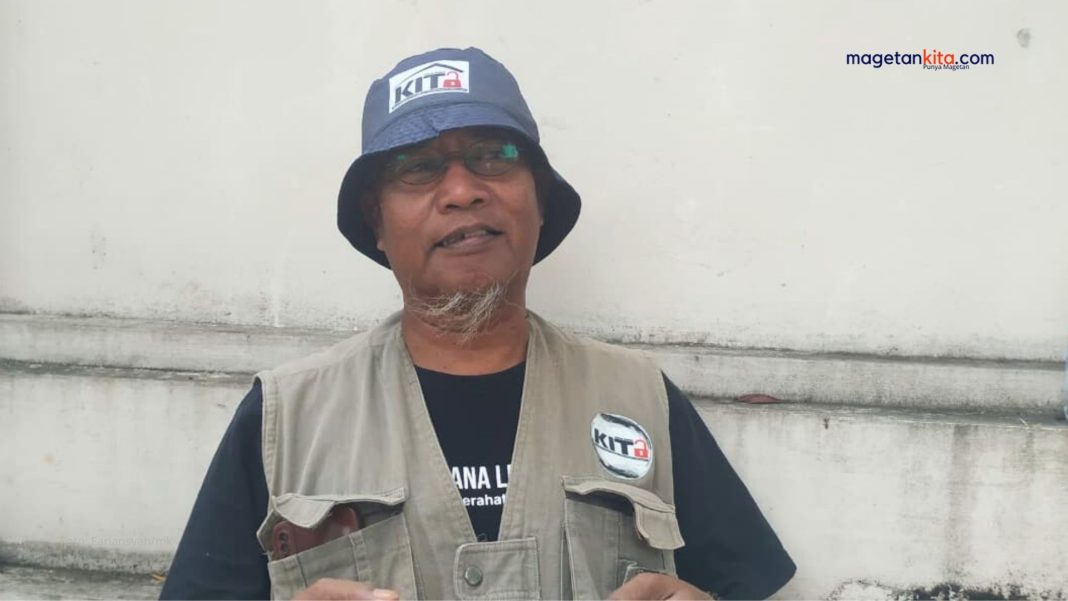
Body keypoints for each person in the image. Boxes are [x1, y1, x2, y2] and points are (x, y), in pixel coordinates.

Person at [161, 47, 795, 600]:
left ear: (539, 201)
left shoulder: (640, 398)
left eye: (495, 156)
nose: (462, 191)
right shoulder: (285, 417)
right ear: (376, 222)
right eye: (417, 167)